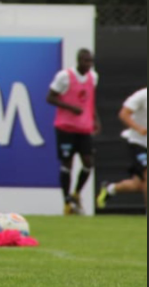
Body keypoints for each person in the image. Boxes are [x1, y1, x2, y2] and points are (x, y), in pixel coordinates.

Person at [47, 48, 100, 215]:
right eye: (86, 61)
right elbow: (50, 97)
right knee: (67, 163)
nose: (88, 65)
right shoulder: (64, 76)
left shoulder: (93, 77)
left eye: (91, 61)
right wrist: (70, 107)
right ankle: (66, 202)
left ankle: (76, 194)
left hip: (84, 127)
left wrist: (95, 119)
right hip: (66, 127)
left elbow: (91, 99)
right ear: (78, 61)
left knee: (88, 162)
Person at [96, 87, 147, 211]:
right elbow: (124, 114)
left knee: (138, 185)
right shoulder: (142, 95)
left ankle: (110, 189)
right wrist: (138, 128)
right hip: (138, 142)